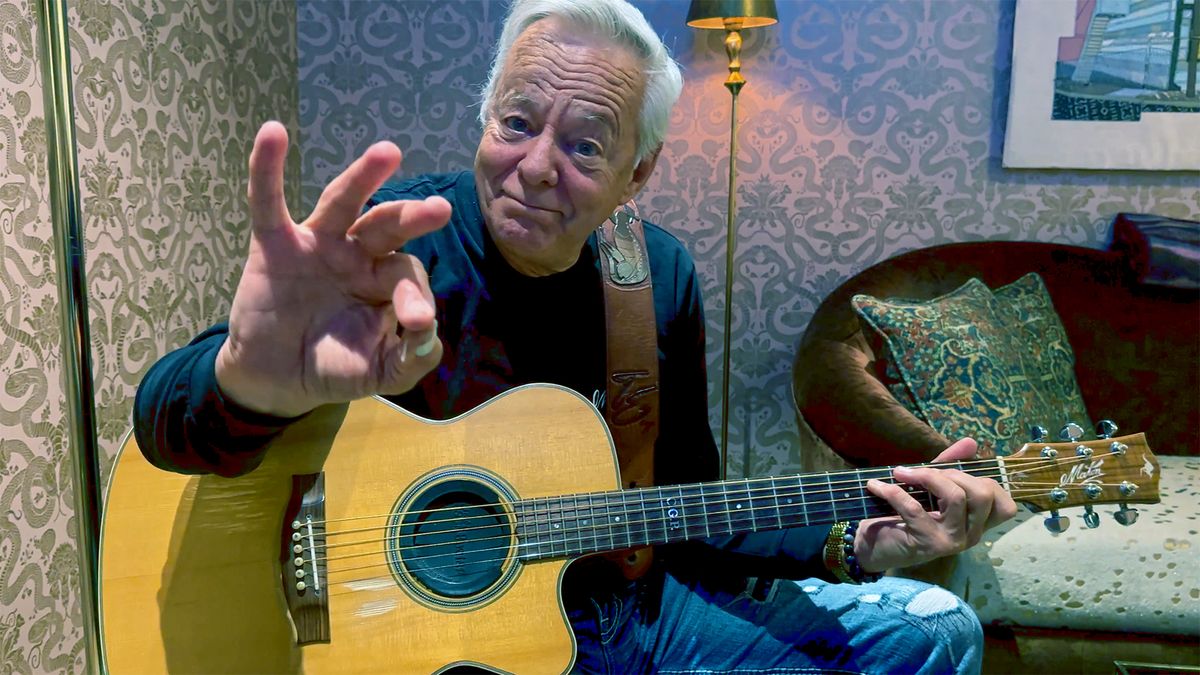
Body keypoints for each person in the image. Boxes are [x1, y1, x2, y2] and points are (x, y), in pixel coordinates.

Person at [134, 0, 1017, 672]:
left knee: (935, 631)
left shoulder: (654, 277)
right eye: (516, 122)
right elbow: (164, 430)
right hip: (422, 638)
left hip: (622, 611)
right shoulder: (394, 245)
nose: (538, 166)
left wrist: (855, 542)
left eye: (587, 146)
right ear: (485, 119)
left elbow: (684, 502)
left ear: (639, 172)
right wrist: (246, 382)